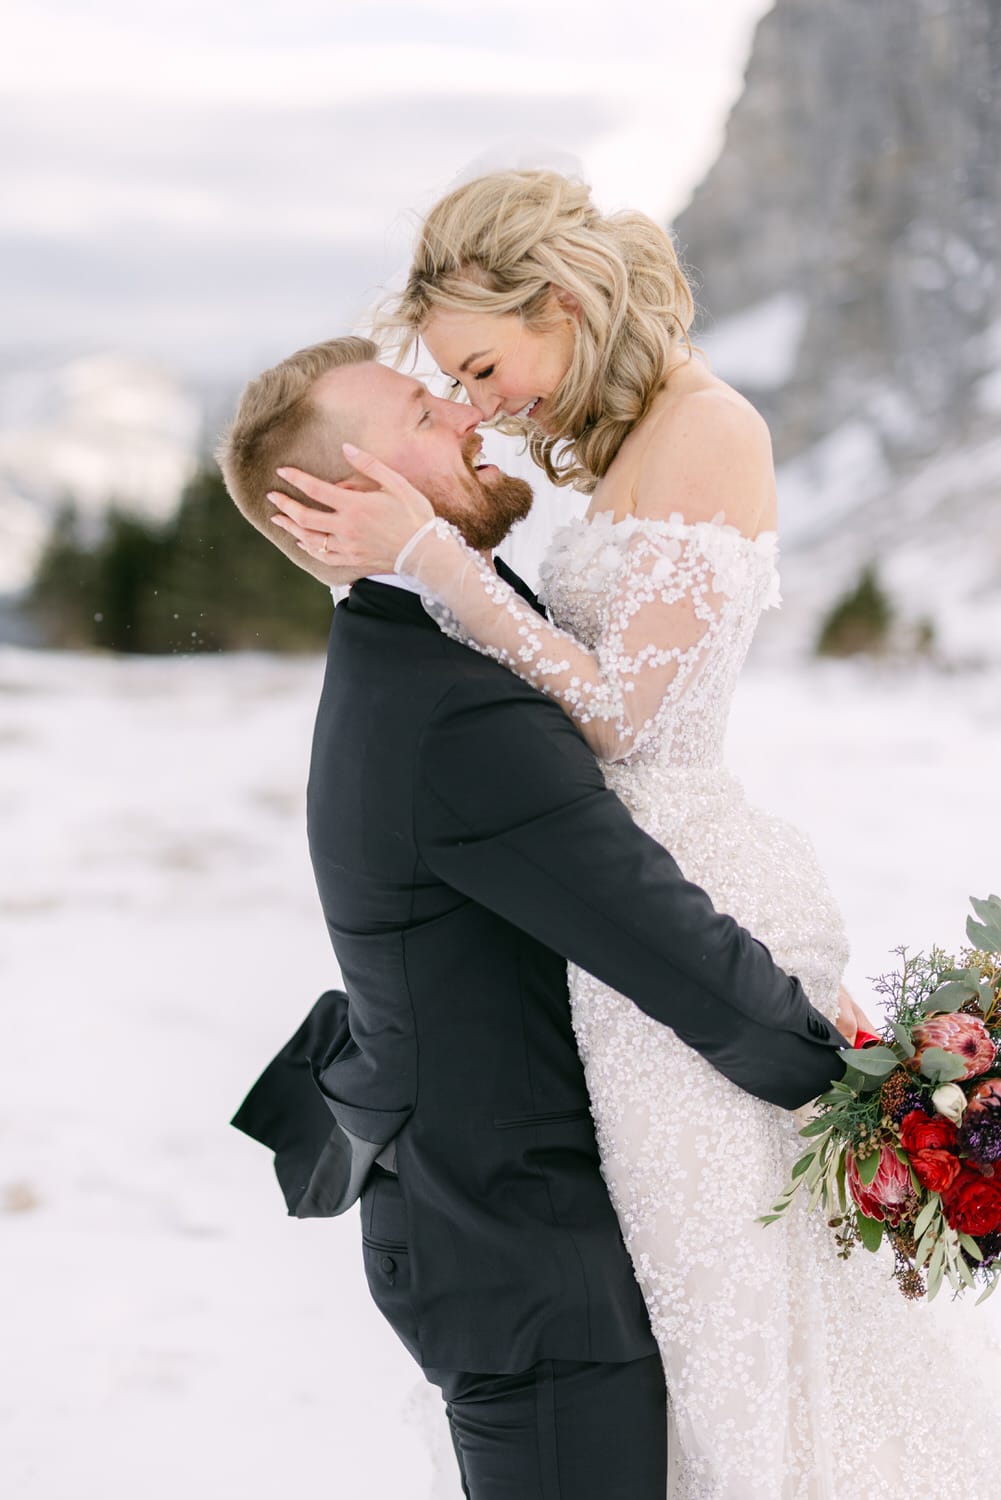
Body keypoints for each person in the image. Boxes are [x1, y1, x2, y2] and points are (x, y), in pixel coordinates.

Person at [265, 172, 1000, 1496]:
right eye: (450, 393)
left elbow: (611, 716)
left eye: (479, 369)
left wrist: (869, 1086)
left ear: (560, 302)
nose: (482, 407)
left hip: (684, 911)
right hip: (638, 948)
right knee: (713, 1324)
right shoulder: (619, 450)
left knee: (755, 1330)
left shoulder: (706, 427)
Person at [219, 334, 849, 1500]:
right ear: (357, 499)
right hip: (527, 1269)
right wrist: (870, 1084)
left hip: (518, 1234)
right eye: (423, 410)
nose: (467, 416)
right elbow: (666, 948)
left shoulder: (430, 632)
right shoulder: (444, 710)